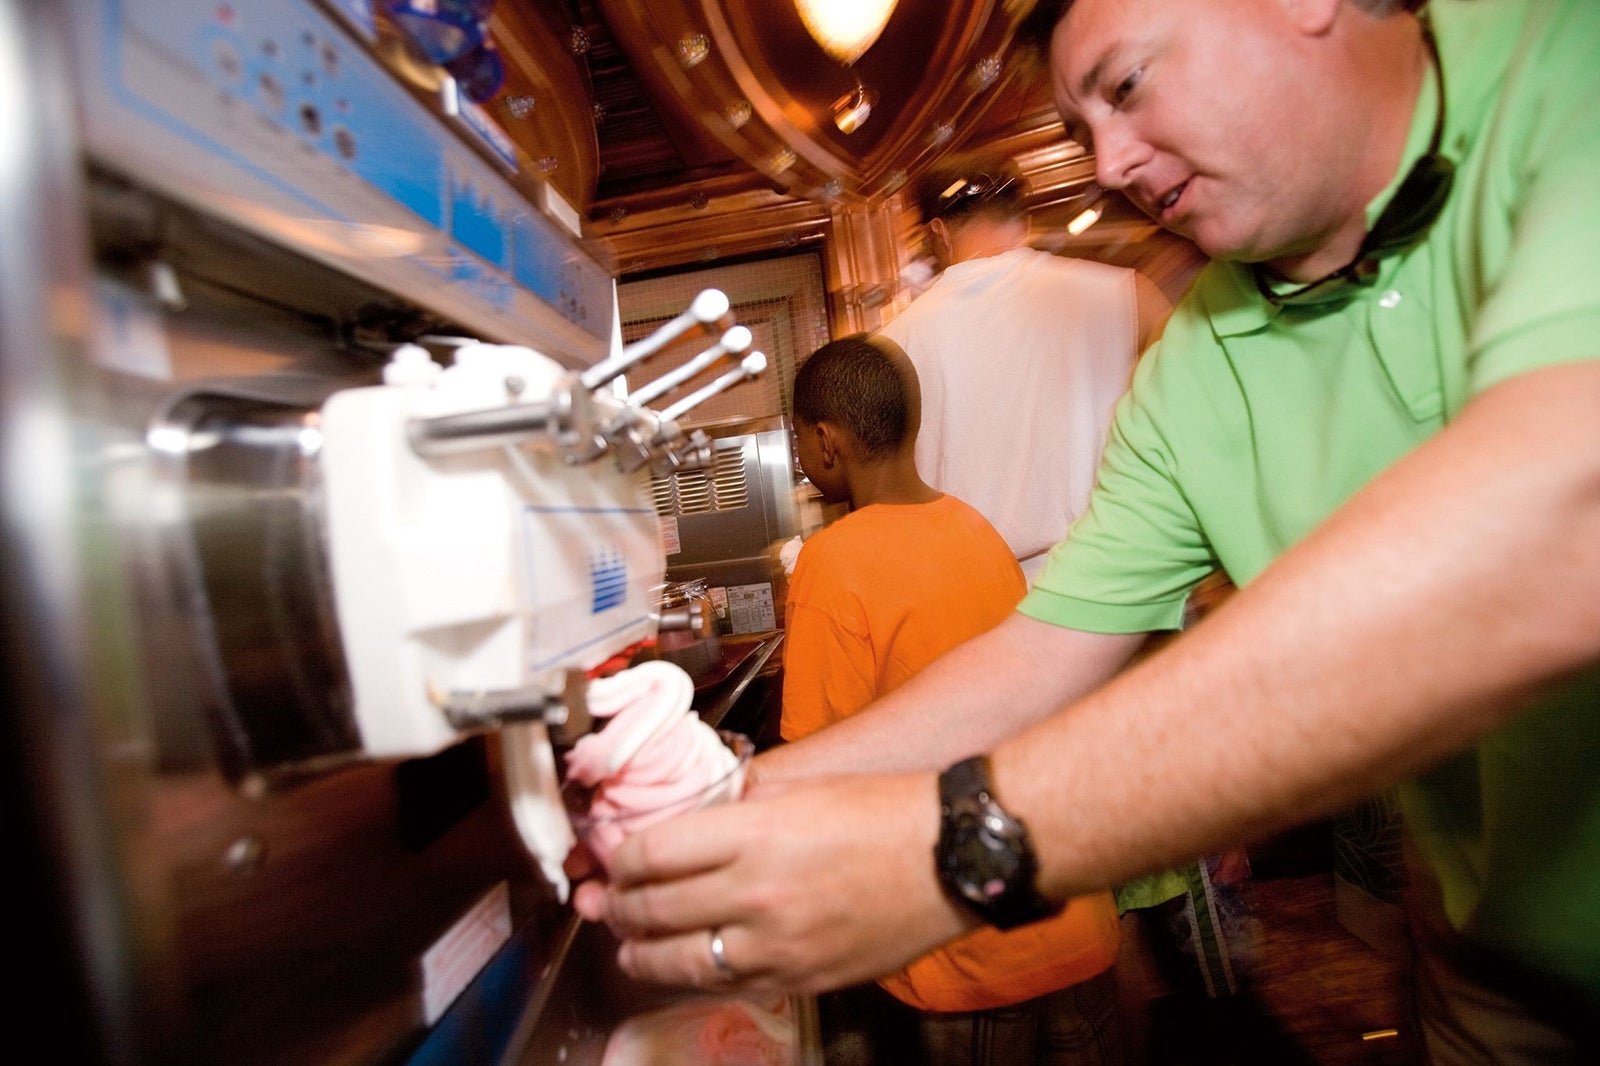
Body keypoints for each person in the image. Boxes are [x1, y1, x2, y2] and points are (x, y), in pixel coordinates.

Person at [576, 1, 1600, 1061]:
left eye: (1123, 86)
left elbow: (1554, 533)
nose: (1108, 165)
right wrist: (730, 798)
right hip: (1490, 955)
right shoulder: (1200, 347)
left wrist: (958, 851)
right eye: (1078, 130)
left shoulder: (1567, 62)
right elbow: (1045, 649)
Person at [782, 334, 1123, 1065]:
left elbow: (815, 767)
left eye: (800, 441)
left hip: (964, 940)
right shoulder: (977, 529)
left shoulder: (831, 561)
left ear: (825, 440)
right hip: (1068, 905)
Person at [877, 152, 1167, 582]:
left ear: (937, 231)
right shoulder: (1125, 294)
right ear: (1023, 219)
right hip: (1115, 577)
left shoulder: (893, 344)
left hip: (978, 594)